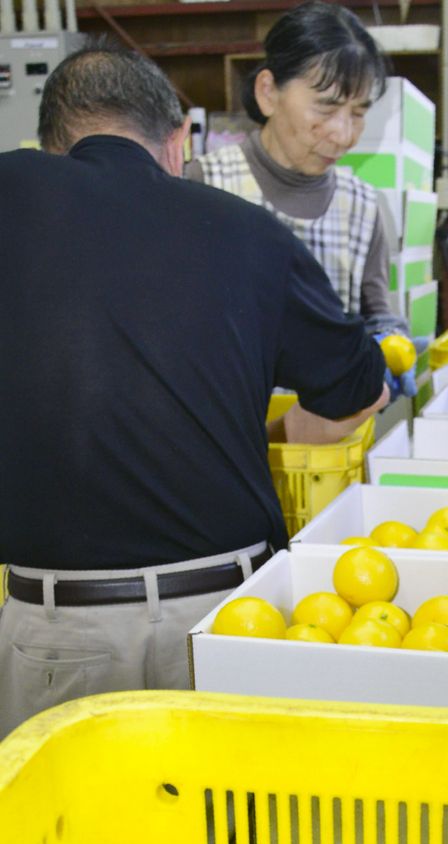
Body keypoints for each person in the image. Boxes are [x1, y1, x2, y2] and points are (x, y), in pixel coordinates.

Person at [0, 43, 388, 742]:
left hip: (59, 628)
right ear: (177, 141)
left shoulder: (14, 191)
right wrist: (272, 435)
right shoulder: (251, 232)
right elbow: (360, 391)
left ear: (51, 147)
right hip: (230, 619)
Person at [188, 1, 420, 408]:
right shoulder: (203, 186)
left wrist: (391, 344)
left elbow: (377, 312)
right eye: (326, 107)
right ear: (268, 92)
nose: (343, 133)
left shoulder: (364, 207)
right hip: (228, 434)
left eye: (358, 113)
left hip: (328, 451)